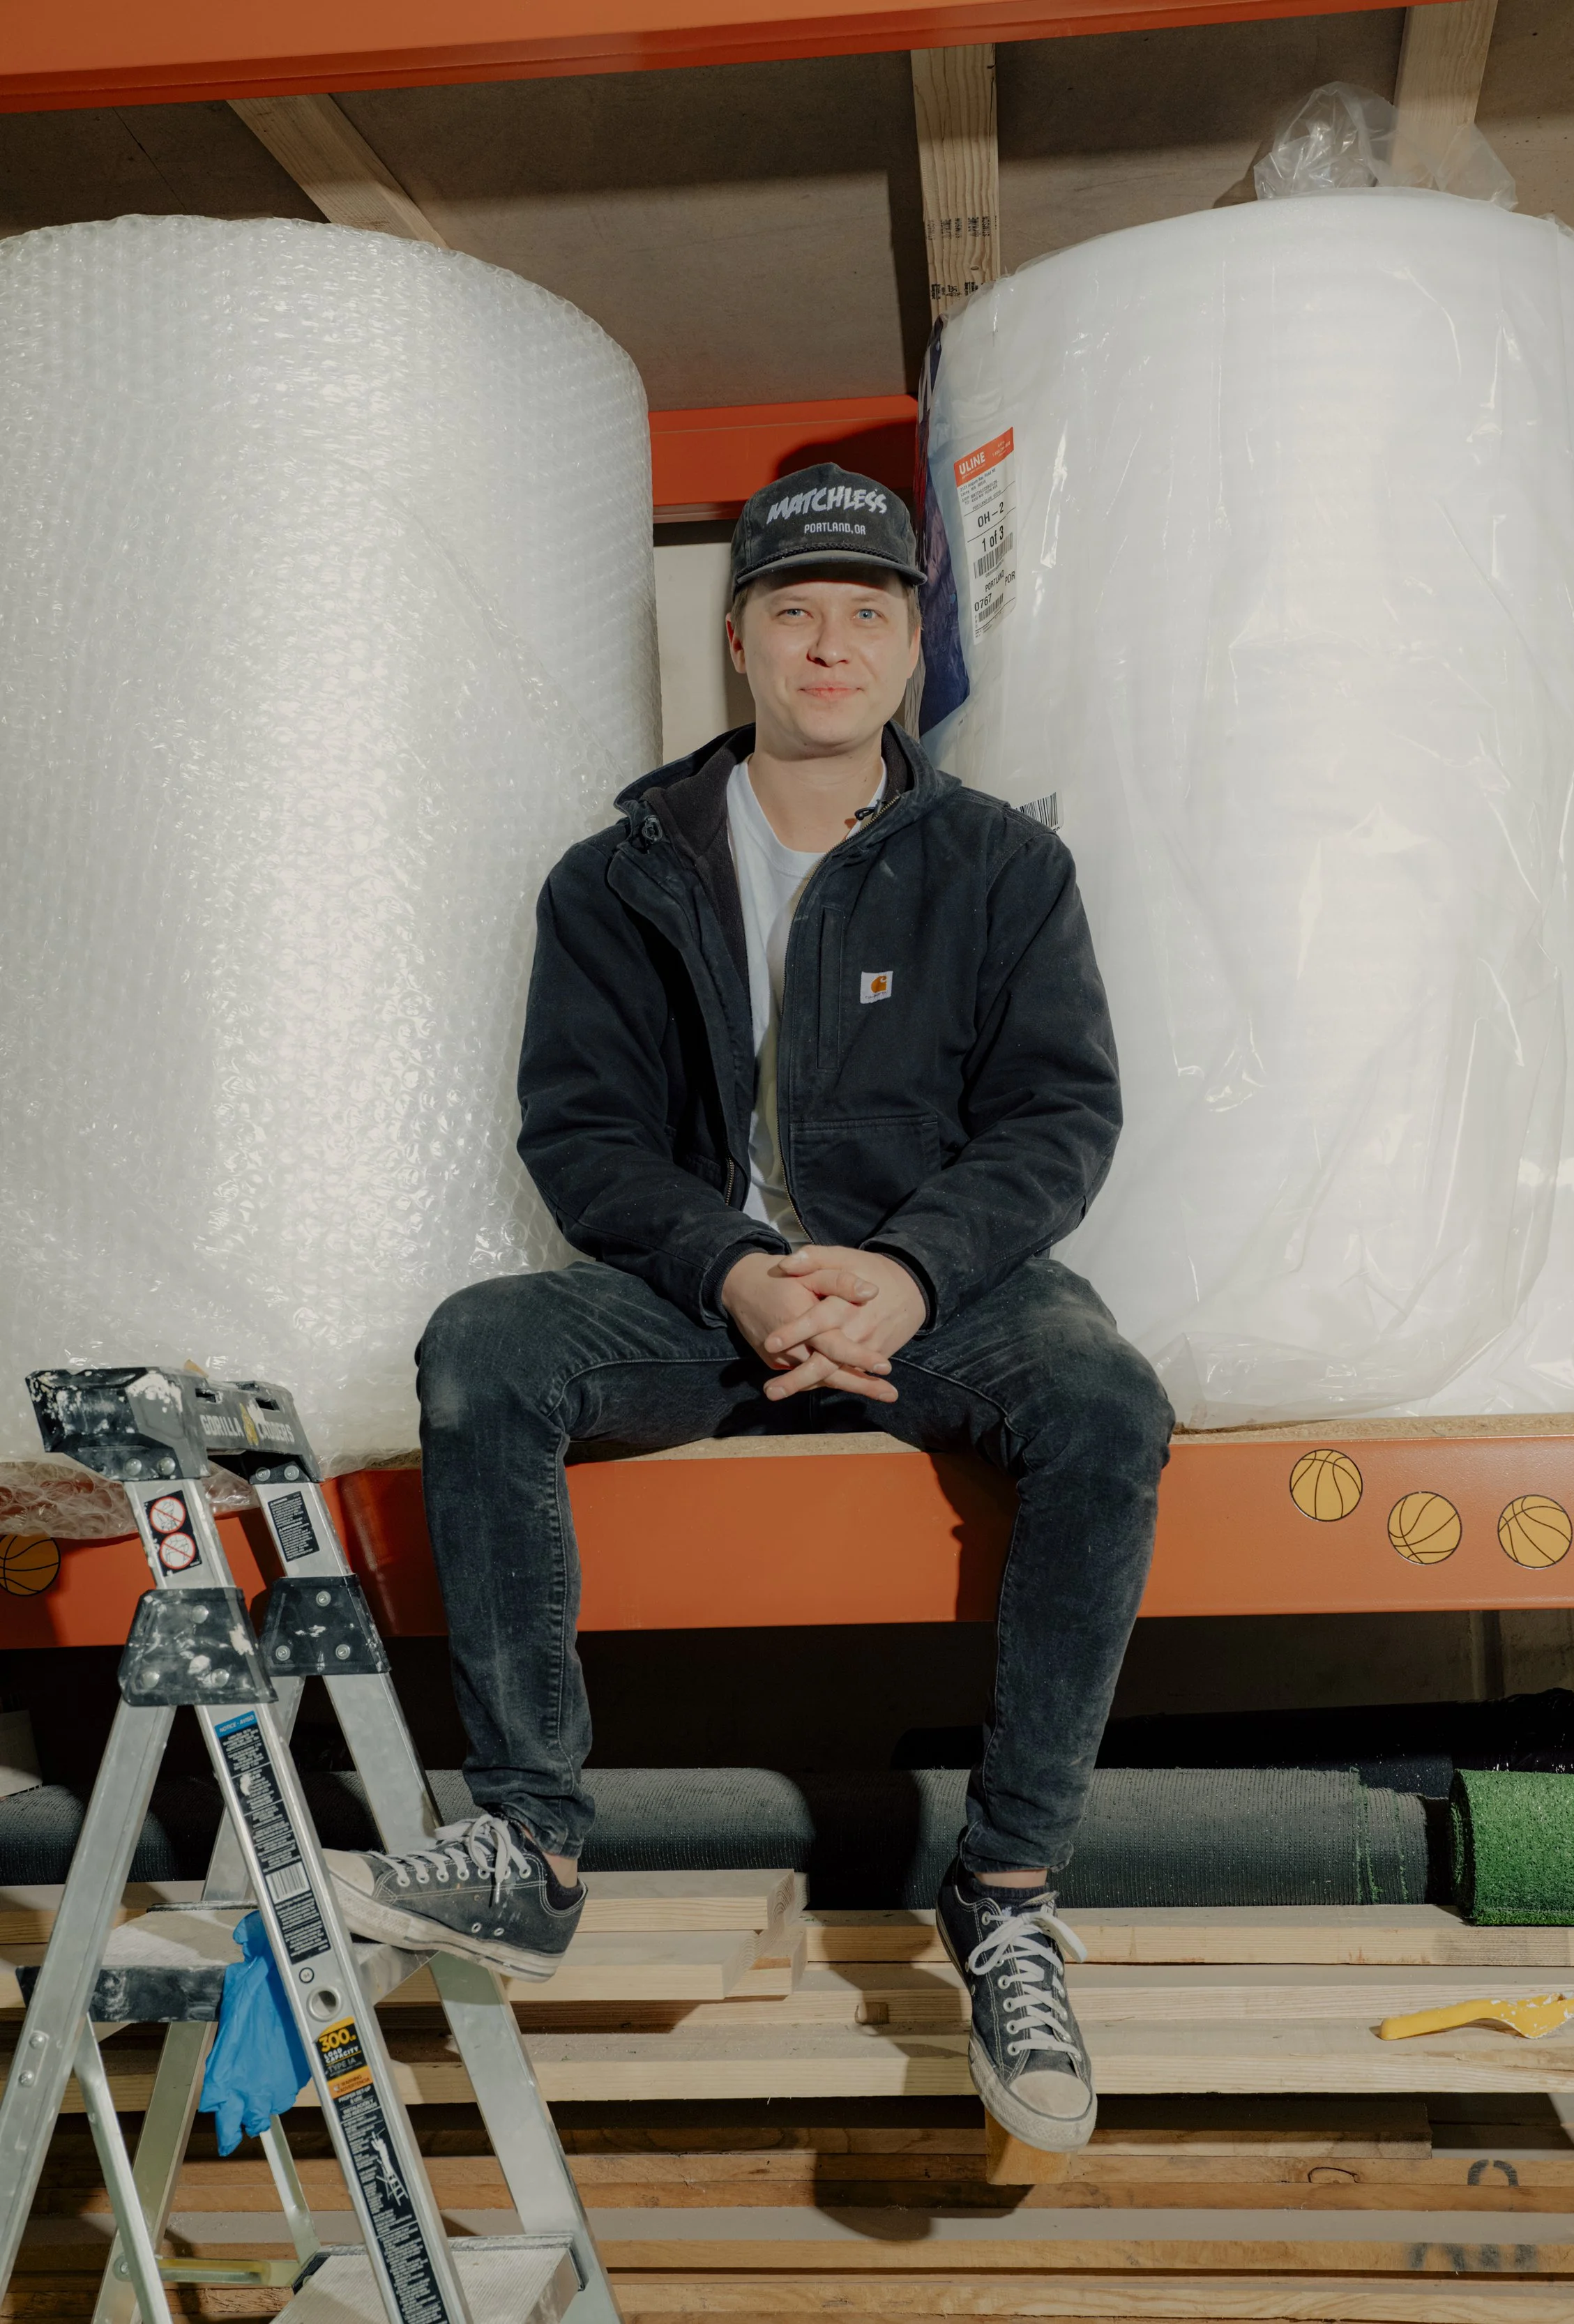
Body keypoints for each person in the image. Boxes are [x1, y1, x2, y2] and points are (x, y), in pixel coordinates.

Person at [325, 462, 1172, 2152]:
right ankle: (525, 1843)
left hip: (937, 1284)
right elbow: (579, 1133)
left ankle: (1004, 1889)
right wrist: (732, 1266)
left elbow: (1058, 1118)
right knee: (484, 1349)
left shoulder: (1002, 869)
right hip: (707, 1297)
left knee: (1104, 1405)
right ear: (738, 644)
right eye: (796, 611)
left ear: (912, 648)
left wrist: (908, 1268)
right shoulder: (617, 877)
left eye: (869, 612)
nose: (831, 643)